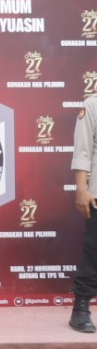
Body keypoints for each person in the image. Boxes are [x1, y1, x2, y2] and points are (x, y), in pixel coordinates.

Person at [69, 91, 97, 333]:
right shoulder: (92, 104)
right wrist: (81, 188)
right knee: (94, 253)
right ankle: (81, 309)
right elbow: (83, 150)